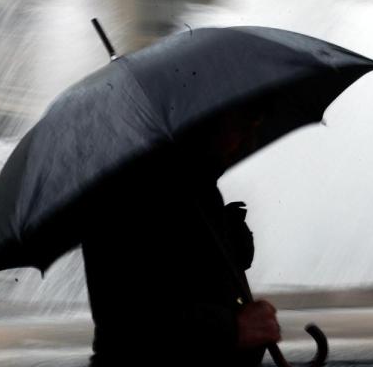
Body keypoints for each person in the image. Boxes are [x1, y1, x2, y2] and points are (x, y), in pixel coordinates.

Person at [82, 105, 280, 365]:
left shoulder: (193, 186)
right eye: (241, 124)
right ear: (205, 120)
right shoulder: (136, 194)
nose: (248, 139)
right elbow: (133, 319)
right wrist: (236, 329)